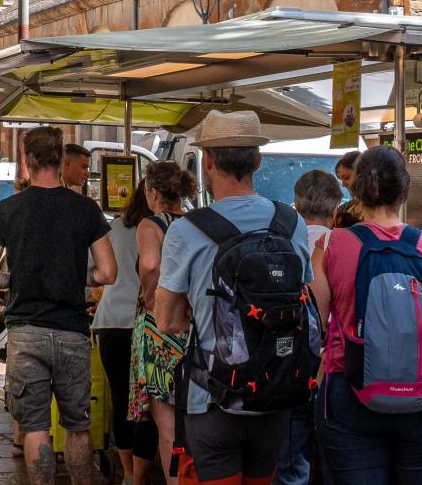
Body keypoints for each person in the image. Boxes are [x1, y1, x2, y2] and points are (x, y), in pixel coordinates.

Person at [155, 112, 312, 485]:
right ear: (258, 161)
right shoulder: (292, 224)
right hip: (274, 393)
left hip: (212, 397)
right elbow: (304, 296)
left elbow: (166, 321)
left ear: (207, 162)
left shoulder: (186, 230)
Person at [307, 144, 422, 485]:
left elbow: (316, 330)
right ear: (404, 191)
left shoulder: (331, 246)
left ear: (355, 192)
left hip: (348, 388)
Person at [0, 126, 115, 485]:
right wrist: (76, 277)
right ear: (61, 160)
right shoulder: (86, 209)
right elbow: (109, 271)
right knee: (78, 424)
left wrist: (19, 278)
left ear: (27, 159)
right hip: (72, 332)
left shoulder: (7, 210)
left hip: (25, 332)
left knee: (36, 425)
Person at [274, 169, 345, 485]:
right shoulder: (346, 246)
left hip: (290, 363)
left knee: (291, 461)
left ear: (295, 205)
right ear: (335, 211)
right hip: (338, 367)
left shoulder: (279, 242)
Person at [129, 159, 196, 485]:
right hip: (194, 326)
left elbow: (152, 263)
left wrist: (149, 295)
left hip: (160, 329)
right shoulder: (197, 222)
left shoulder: (151, 225)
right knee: (193, 417)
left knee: (166, 424)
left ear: (152, 191)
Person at [95, 175, 152, 485]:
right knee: (147, 405)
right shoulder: (163, 229)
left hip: (111, 322)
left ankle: (128, 473)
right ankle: (141, 476)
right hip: (145, 323)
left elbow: (98, 275)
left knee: (121, 400)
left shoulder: (113, 228)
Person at [331, 150, 361, 229]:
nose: (343, 184)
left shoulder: (377, 210)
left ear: (361, 174)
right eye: (341, 179)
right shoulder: (345, 208)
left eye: (346, 177)